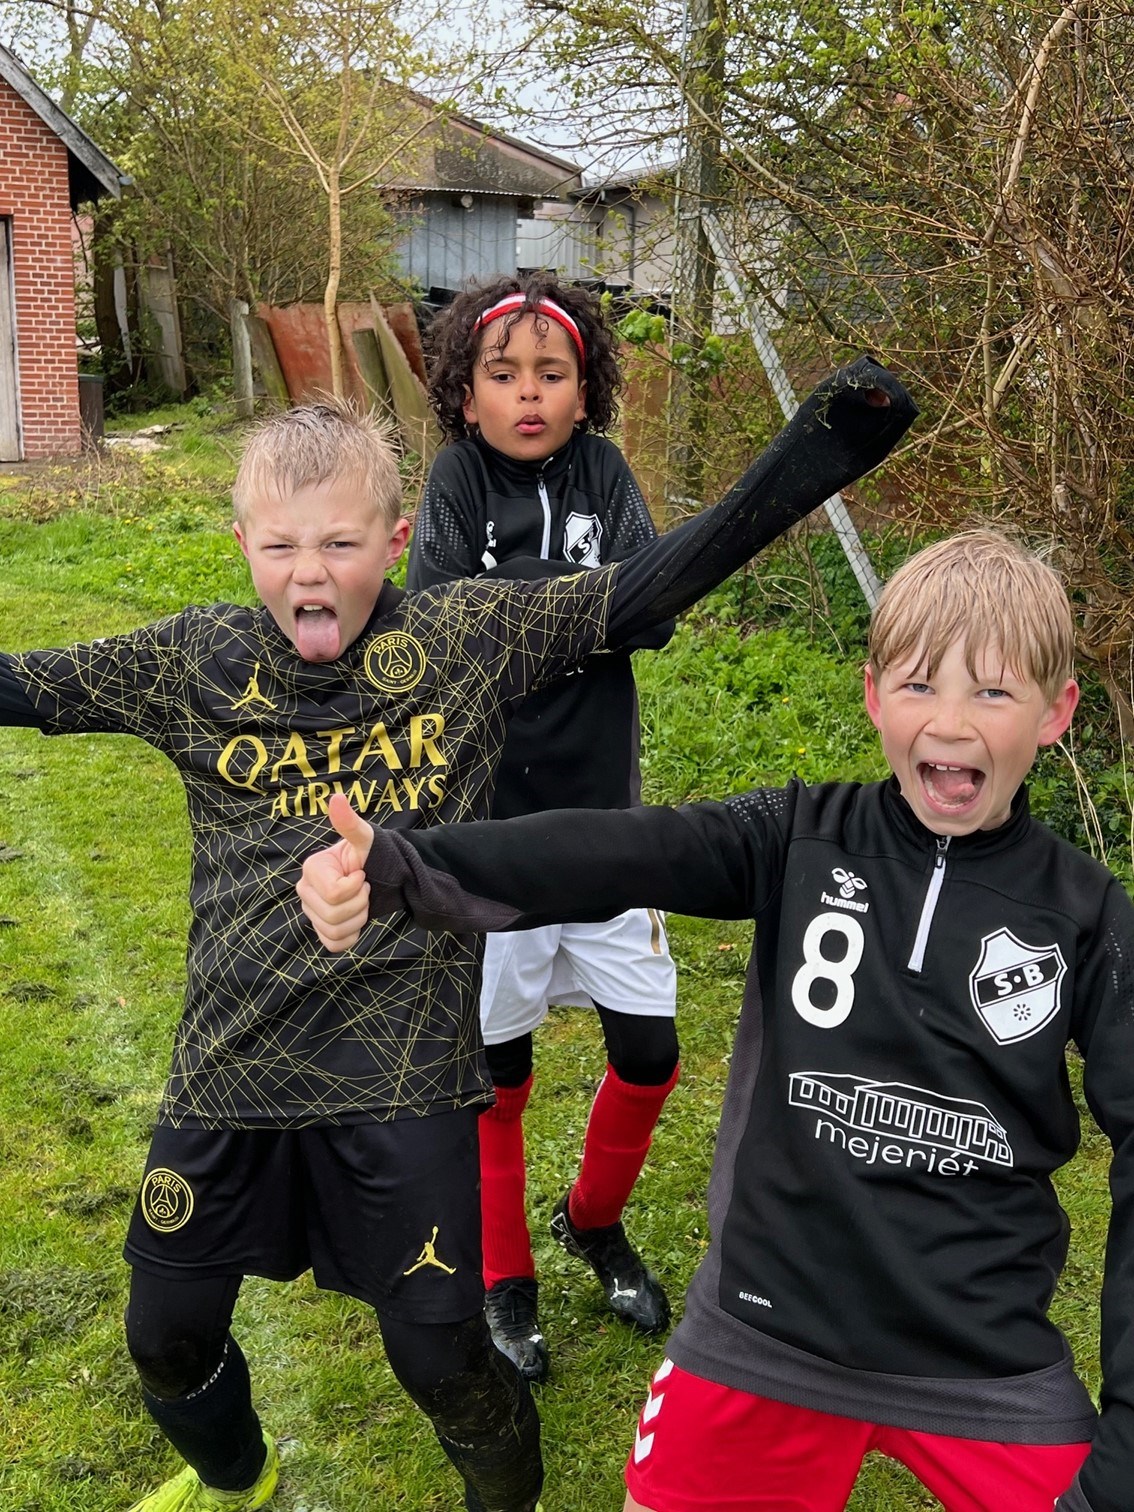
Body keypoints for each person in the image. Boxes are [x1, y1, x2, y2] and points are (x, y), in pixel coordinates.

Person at [0, 360, 915, 1512]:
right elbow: (21, 686)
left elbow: (644, 585)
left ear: (395, 541)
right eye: (280, 547)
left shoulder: (463, 637)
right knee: (164, 1340)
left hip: (404, 1077)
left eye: (340, 544)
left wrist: (822, 450)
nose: (309, 572)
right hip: (231, 1070)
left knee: (443, 1363)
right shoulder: (194, 661)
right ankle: (240, 1480)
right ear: (242, 545)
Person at [297, 531, 1130, 1512]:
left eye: (991, 692)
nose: (949, 723)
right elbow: (617, 851)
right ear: (873, 697)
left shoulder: (1089, 919)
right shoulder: (800, 837)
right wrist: (403, 866)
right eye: (918, 686)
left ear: (1056, 712)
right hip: (764, 1332)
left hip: (985, 1363)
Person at [410, 272, 680, 1382]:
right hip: (495, 833)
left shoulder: (606, 473)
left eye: (552, 374)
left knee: (651, 1055)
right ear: (465, 392)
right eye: (504, 374)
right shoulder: (456, 480)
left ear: (585, 389)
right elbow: (437, 621)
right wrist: (584, 602)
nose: (528, 394)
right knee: (497, 1075)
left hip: (606, 822)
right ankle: (505, 1275)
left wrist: (528, 602)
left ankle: (592, 1221)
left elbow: (653, 607)